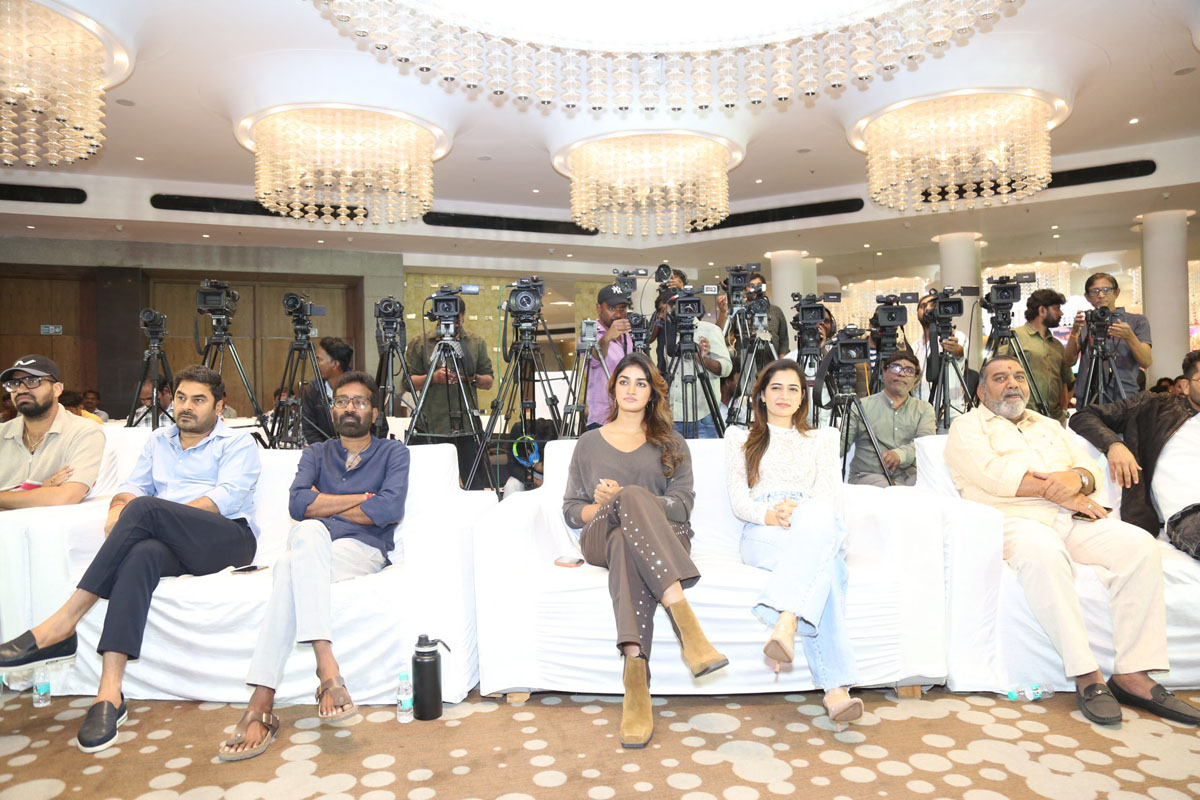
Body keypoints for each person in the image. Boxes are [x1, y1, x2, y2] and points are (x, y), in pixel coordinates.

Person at [0, 365, 262, 752]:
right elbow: (133, 486)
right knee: (141, 552)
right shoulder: (159, 440)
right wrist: (116, 510)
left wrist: (155, 516)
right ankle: (109, 694)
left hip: (226, 540)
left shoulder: (238, 443)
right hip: (169, 543)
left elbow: (225, 498)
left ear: (219, 406)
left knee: (146, 511)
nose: (186, 407)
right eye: (181, 398)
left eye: (199, 400)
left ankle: (64, 622)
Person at [944, 355, 1199, 726]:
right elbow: (994, 476)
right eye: (1000, 378)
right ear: (982, 391)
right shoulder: (967, 427)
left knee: (1139, 547)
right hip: (1014, 520)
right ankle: (1087, 675)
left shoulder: (1048, 424)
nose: (1012, 383)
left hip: (1073, 517)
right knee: (1045, 555)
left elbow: (1090, 470)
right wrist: (1064, 489)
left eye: (1018, 375)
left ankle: (1133, 674)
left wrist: (1076, 484)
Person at [219, 372, 409, 761]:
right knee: (306, 533)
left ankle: (260, 703)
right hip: (314, 544)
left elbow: (388, 509)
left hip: (360, 551)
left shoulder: (393, 453)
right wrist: (361, 498)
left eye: (359, 402)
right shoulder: (315, 453)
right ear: (333, 408)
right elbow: (297, 505)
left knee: (291, 563)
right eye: (341, 401)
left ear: (373, 411)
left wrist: (325, 500)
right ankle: (328, 670)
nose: (349, 408)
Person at [562, 352, 727, 748]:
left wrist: (629, 500)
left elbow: (683, 503)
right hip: (599, 533)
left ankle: (635, 677)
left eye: (641, 383)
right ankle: (683, 618)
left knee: (627, 530)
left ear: (652, 392)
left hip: (664, 536)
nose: (632, 389)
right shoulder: (588, 443)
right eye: (624, 382)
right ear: (613, 389)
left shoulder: (671, 442)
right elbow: (571, 511)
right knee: (623, 511)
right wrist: (608, 505)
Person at [725, 359, 864, 728]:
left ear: (804, 398)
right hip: (763, 530)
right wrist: (772, 514)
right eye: (776, 388)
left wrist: (799, 511)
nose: (784, 396)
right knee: (829, 564)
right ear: (762, 395)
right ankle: (835, 688)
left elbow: (827, 499)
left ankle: (786, 623)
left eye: (793, 389)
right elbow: (739, 501)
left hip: (810, 520)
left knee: (821, 528)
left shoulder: (821, 439)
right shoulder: (740, 438)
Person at [1069, 350, 1200, 536]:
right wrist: (1114, 445)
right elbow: (1084, 416)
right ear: (1185, 386)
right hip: (1189, 513)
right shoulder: (1154, 406)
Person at [1, 355, 105, 510]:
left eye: (32, 381)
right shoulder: (2, 432)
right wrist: (42, 491)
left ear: (57, 389)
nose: (21, 390)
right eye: (14, 384)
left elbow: (67, 496)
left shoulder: (84, 432)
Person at [404, 311, 494, 485]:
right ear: (436, 316)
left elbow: (488, 381)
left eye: (456, 316)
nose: (451, 320)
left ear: (463, 316)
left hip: (468, 425)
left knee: (474, 483)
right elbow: (407, 383)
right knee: (431, 485)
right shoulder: (420, 342)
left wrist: (469, 378)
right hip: (431, 424)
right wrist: (433, 378)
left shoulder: (475, 342)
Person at [842, 351, 935, 487]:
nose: (901, 374)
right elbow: (841, 446)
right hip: (869, 476)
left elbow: (925, 445)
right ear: (884, 372)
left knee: (931, 487)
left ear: (916, 378)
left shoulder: (924, 409)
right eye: (896, 367)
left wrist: (900, 455)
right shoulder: (861, 406)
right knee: (889, 490)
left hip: (908, 476)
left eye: (909, 370)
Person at [1065, 272, 1152, 407]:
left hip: (1124, 397)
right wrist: (1074, 332)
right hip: (1088, 398)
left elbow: (1146, 361)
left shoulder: (1136, 321)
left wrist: (1129, 337)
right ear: (1087, 297)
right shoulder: (1085, 322)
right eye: (1095, 291)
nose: (1101, 295)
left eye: (1106, 290)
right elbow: (1069, 361)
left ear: (1116, 292)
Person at [996, 289, 1074, 423]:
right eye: (1056, 309)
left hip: (1055, 419)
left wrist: (1064, 409)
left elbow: (1065, 381)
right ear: (1042, 310)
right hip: (1022, 418)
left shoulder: (1057, 345)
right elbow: (998, 374)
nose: (1061, 313)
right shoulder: (1014, 338)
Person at [664, 296, 732, 438]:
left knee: (707, 460)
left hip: (704, 416)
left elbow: (726, 369)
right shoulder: (668, 333)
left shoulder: (710, 330)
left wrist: (701, 359)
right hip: (673, 417)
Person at [585, 283, 633, 431]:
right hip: (602, 418)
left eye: (622, 308)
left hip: (629, 415)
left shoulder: (628, 335)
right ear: (599, 308)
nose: (618, 314)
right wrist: (607, 337)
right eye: (611, 309)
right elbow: (593, 359)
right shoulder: (590, 331)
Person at [912, 292, 968, 416]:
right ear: (917, 313)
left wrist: (955, 349)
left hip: (952, 412)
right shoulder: (914, 346)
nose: (927, 308)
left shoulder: (956, 336)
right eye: (922, 306)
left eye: (932, 305)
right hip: (921, 413)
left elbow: (960, 352)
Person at [302, 337, 352, 445]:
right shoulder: (313, 389)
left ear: (335, 364)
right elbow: (309, 428)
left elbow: (377, 428)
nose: (315, 364)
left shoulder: (361, 387)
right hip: (324, 453)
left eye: (319, 359)